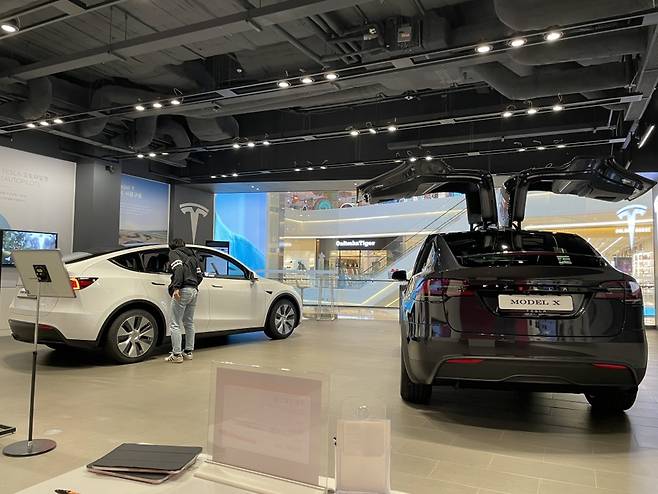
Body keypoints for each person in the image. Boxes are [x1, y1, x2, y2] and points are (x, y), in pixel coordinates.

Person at [165, 238, 203, 363]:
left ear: (171, 247)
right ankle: (188, 352)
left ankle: (176, 355)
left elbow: (179, 269)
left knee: (175, 323)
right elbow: (199, 275)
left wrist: (176, 287)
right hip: (194, 291)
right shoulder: (193, 256)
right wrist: (194, 286)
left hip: (183, 290)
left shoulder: (174, 253)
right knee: (189, 322)